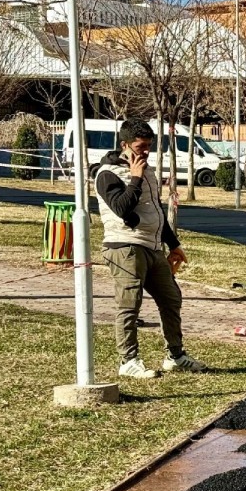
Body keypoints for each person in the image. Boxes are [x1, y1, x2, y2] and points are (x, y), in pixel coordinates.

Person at [93, 119, 207, 379]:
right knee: (129, 304)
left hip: (153, 247)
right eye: (140, 146)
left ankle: (175, 356)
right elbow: (121, 208)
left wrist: (174, 244)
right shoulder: (107, 173)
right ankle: (128, 360)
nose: (145, 151)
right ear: (124, 145)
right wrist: (134, 178)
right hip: (124, 247)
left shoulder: (149, 171)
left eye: (149, 146)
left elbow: (156, 211)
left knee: (171, 298)